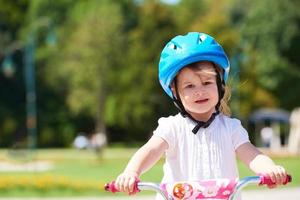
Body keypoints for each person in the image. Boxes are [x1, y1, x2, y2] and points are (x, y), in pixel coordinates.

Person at [114, 32, 288, 199]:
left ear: (220, 85)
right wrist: (132, 172)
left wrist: (269, 169)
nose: (199, 91)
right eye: (189, 86)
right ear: (175, 92)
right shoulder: (172, 127)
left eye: (206, 82)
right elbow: (150, 150)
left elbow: (252, 155)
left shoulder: (231, 128)